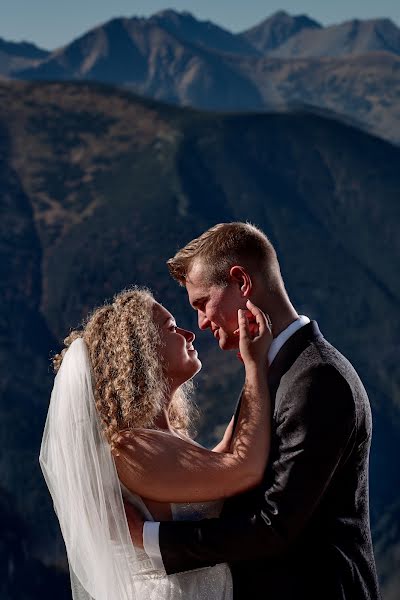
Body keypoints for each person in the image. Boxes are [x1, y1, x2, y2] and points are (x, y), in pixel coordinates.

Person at [125, 222, 381, 600]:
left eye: (201, 303)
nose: (201, 322)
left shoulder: (317, 378)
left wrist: (146, 538)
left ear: (241, 283)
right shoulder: (272, 372)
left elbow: (274, 525)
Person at [39, 286, 273, 600]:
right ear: (143, 352)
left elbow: (222, 460)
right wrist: (256, 367)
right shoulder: (133, 448)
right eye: (172, 328)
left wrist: (254, 371)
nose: (189, 334)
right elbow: (243, 470)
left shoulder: (151, 441)